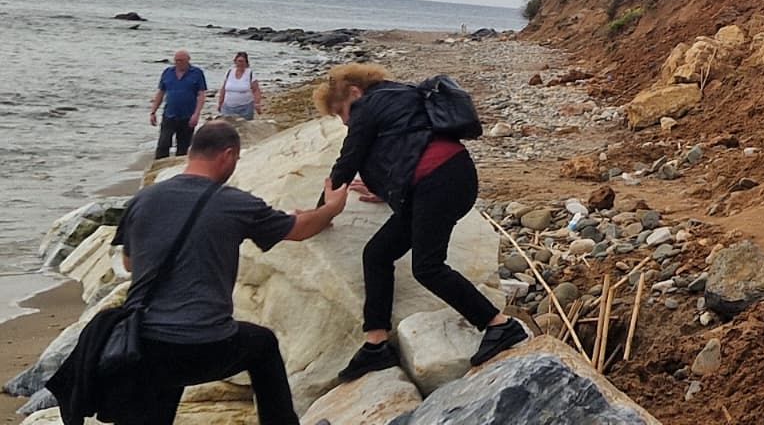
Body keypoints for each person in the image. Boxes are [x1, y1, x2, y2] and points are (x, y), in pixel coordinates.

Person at [108, 121, 348, 425]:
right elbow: (299, 230)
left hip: (142, 342)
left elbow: (130, 264)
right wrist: (331, 208)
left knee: (160, 381)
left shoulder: (143, 199)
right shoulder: (234, 203)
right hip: (203, 345)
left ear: (192, 153)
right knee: (262, 345)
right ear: (228, 155)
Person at [314, 63, 525, 382]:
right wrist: (388, 191)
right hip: (443, 181)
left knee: (427, 266)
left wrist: (320, 213)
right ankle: (376, 345)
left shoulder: (368, 105)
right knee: (377, 254)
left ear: (355, 93)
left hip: (439, 182)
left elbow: (348, 160)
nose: (344, 120)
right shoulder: (399, 94)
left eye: (341, 111)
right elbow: (406, 145)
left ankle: (499, 325)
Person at [150, 51, 208, 159]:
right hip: (169, 114)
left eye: (181, 60)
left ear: (188, 60)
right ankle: (159, 169)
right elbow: (161, 92)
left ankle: (178, 172)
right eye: (176, 60)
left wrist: (196, 114)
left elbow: (201, 95)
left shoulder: (197, 73)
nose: (178, 63)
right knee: (163, 144)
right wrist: (153, 111)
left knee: (183, 147)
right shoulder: (168, 72)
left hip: (188, 116)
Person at [217, 51, 264, 120]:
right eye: (239, 61)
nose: (240, 63)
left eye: (242, 61)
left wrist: (257, 104)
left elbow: (256, 90)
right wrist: (220, 102)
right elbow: (223, 89)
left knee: (245, 128)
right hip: (228, 107)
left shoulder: (250, 73)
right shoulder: (229, 72)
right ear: (235, 61)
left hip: (245, 107)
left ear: (246, 62)